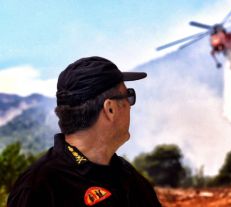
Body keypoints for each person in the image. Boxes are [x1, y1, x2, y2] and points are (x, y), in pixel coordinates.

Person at [7, 56, 162, 207]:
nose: (130, 105)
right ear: (110, 109)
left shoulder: (129, 178)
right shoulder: (38, 187)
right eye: (128, 96)